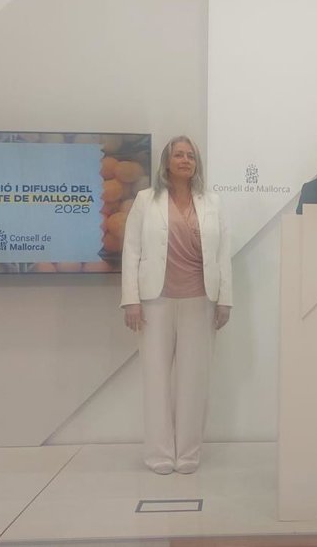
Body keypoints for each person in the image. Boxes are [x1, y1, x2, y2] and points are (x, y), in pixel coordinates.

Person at [121, 136, 232, 475]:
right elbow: (131, 250)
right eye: (179, 155)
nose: (185, 160)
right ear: (166, 162)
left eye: (191, 156)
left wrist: (225, 300)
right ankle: (159, 455)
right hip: (155, 302)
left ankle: (188, 454)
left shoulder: (212, 202)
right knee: (156, 380)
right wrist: (131, 300)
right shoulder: (146, 200)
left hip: (201, 300)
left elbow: (222, 255)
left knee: (193, 382)